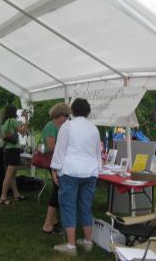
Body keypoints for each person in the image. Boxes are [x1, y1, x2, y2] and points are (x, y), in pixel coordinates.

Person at [51, 98, 101, 256]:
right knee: (86, 206)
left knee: (68, 207)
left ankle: (71, 246)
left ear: (72, 111)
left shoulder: (67, 126)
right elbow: (98, 153)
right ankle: (88, 242)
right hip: (90, 173)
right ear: (88, 112)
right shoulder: (94, 128)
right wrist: (97, 170)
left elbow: (60, 151)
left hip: (70, 172)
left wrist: (54, 170)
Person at [41, 102, 72, 233]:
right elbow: (51, 148)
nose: (66, 118)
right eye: (64, 115)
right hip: (54, 163)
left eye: (67, 115)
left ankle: (53, 219)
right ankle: (47, 224)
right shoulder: (50, 126)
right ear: (58, 115)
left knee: (58, 190)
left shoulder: (63, 126)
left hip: (60, 163)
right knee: (56, 191)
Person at [0, 105, 28, 205]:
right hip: (14, 150)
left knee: (12, 175)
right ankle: (3, 197)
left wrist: (22, 125)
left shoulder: (4, 123)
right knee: (9, 175)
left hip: (7, 150)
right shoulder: (13, 121)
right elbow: (23, 132)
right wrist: (27, 120)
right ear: (14, 112)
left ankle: (16, 194)